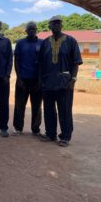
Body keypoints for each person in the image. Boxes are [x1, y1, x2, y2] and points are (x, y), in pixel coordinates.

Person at [38, 15, 82, 147]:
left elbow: (76, 63)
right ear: (49, 27)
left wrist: (73, 79)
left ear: (62, 25)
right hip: (48, 83)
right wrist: (40, 80)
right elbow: (40, 63)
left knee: (65, 110)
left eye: (58, 23)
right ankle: (50, 134)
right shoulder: (45, 43)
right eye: (53, 24)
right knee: (49, 110)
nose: (56, 26)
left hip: (64, 83)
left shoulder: (71, 41)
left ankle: (65, 136)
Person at [12, 22, 42, 136]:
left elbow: (42, 63)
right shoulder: (20, 43)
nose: (31, 31)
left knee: (37, 106)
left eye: (33, 29)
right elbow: (16, 61)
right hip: (22, 80)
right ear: (26, 31)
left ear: (36, 30)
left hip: (36, 81)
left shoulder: (42, 43)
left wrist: (40, 80)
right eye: (29, 29)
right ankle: (18, 128)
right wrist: (19, 78)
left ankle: (36, 129)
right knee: (19, 105)